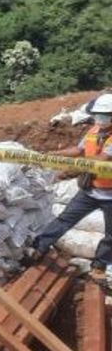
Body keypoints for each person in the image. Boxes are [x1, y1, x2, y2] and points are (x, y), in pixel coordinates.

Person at [31, 93, 112, 280]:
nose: (101, 118)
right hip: (90, 190)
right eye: (98, 114)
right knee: (65, 219)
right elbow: (79, 150)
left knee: (111, 234)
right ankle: (39, 247)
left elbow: (103, 159)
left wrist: (72, 166)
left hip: (110, 194)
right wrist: (54, 154)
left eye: (105, 114)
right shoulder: (93, 131)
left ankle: (99, 265)